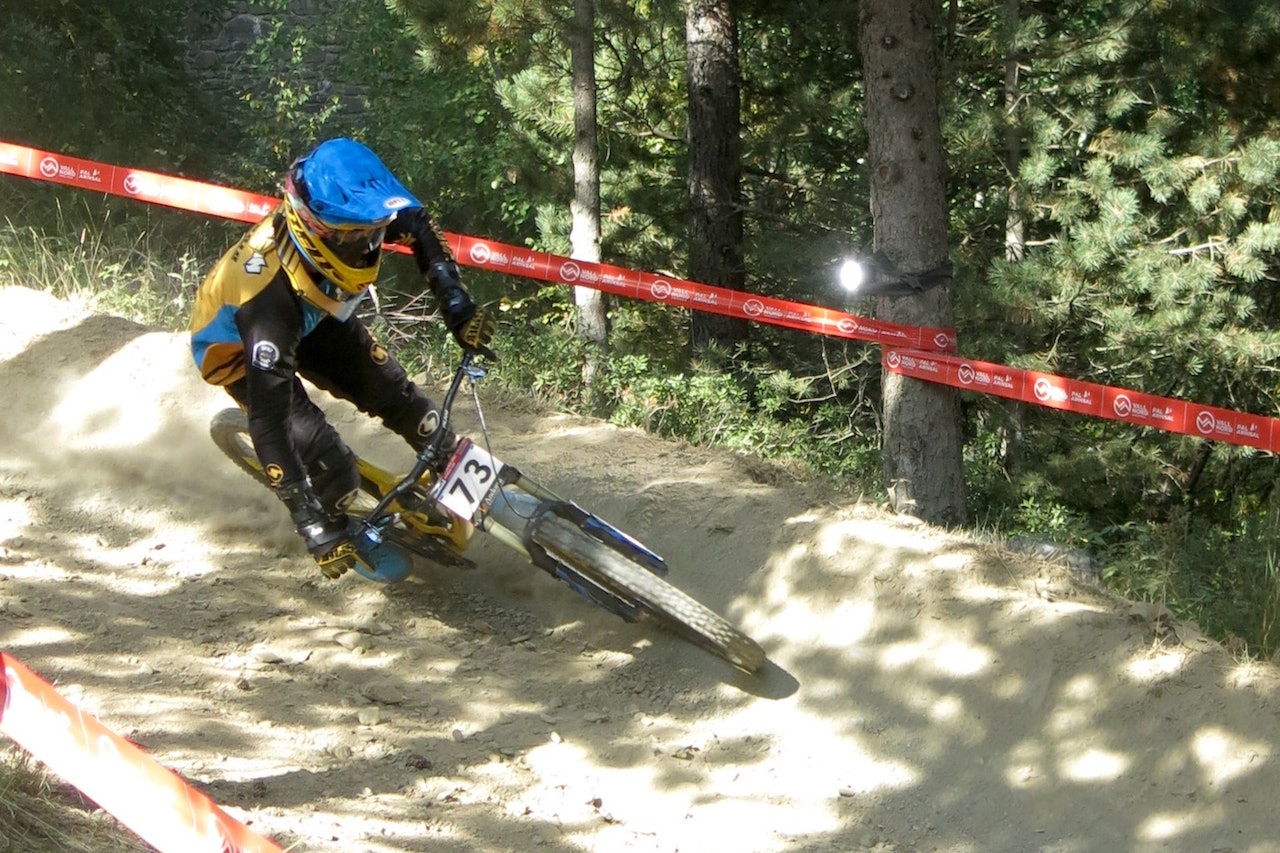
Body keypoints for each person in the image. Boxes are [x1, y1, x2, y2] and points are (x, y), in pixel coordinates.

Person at [189, 137, 496, 579]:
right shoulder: (267, 311)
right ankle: (336, 520)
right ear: (319, 232)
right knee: (330, 463)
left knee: (405, 402)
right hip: (241, 347)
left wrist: (458, 307)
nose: (370, 245)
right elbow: (269, 424)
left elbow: (418, 224)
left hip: (313, 314)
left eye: (373, 233)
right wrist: (311, 524)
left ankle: (473, 484)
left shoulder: (347, 219)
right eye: (359, 238)